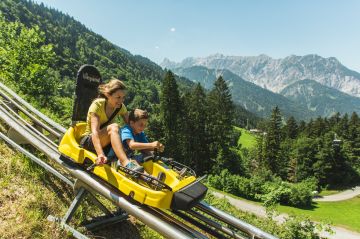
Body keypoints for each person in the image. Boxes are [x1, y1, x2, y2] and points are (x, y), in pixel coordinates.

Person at [79, 78, 143, 172]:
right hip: (90, 142)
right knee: (114, 127)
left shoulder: (120, 107)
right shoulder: (97, 105)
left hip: (106, 144)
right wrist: (100, 154)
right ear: (108, 95)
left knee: (123, 131)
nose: (121, 100)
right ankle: (126, 163)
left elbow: (131, 127)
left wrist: (146, 146)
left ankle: (135, 167)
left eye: (123, 97)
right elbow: (95, 132)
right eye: (118, 97)